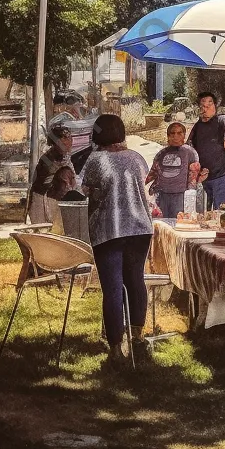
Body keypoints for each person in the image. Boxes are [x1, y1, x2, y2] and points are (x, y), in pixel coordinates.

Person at [79, 115, 153, 362]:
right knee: (135, 281)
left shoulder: (96, 160)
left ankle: (115, 348)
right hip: (140, 228)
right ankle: (138, 339)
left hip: (108, 229)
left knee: (112, 288)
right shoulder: (137, 158)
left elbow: (84, 190)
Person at [186, 93, 225, 210]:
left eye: (209, 104)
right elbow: (189, 149)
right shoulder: (197, 126)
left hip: (220, 176)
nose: (206, 108)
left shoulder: (223, 121)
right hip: (203, 178)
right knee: (202, 212)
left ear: (215, 106)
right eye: (203, 105)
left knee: (220, 211)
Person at [145, 122, 201, 224]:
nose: (175, 136)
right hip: (162, 195)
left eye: (179, 133)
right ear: (168, 136)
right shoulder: (161, 153)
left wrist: (190, 198)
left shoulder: (190, 153)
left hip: (180, 196)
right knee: (162, 225)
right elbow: (153, 173)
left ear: (184, 135)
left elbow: (193, 178)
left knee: (178, 224)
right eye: (172, 133)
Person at [28, 124, 74, 234]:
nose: (69, 141)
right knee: (45, 234)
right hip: (42, 200)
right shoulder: (49, 159)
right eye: (64, 138)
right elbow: (43, 185)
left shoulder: (65, 156)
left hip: (55, 200)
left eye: (69, 138)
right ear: (55, 142)